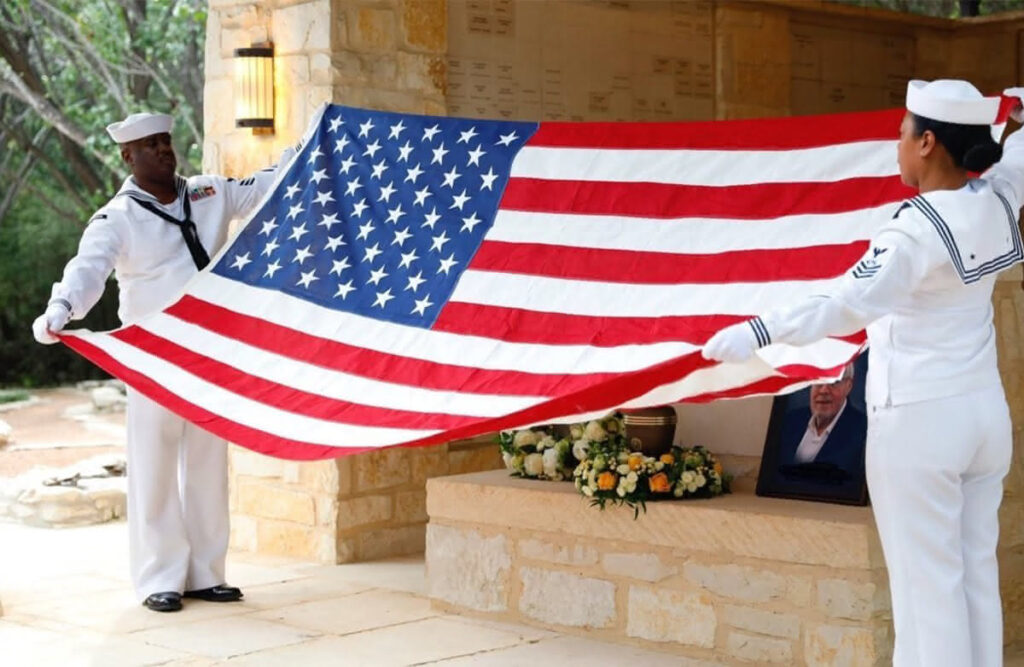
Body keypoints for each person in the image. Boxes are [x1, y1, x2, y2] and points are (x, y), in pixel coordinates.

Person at [703, 80, 1024, 667]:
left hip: (921, 422)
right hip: (983, 416)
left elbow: (843, 302)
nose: (896, 143)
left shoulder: (913, 231)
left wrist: (761, 330)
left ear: (928, 143)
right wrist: (1013, 123)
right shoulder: (999, 198)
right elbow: (1017, 162)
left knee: (926, 589)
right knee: (974, 572)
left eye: (903, 132)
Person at [32, 112, 293, 613]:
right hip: (153, 354)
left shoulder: (207, 194)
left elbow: (264, 187)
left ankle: (206, 573)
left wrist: (305, 147)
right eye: (150, 146)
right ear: (128, 157)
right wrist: (61, 309)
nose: (164, 151)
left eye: (166, 142)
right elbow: (89, 270)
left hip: (209, 350)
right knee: (154, 463)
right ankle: (159, 578)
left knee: (206, 463)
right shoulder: (117, 217)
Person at [779, 362, 866, 472]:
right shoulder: (790, 421)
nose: (824, 390)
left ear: (848, 386)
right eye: (818, 381)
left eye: (834, 382)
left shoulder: (863, 430)